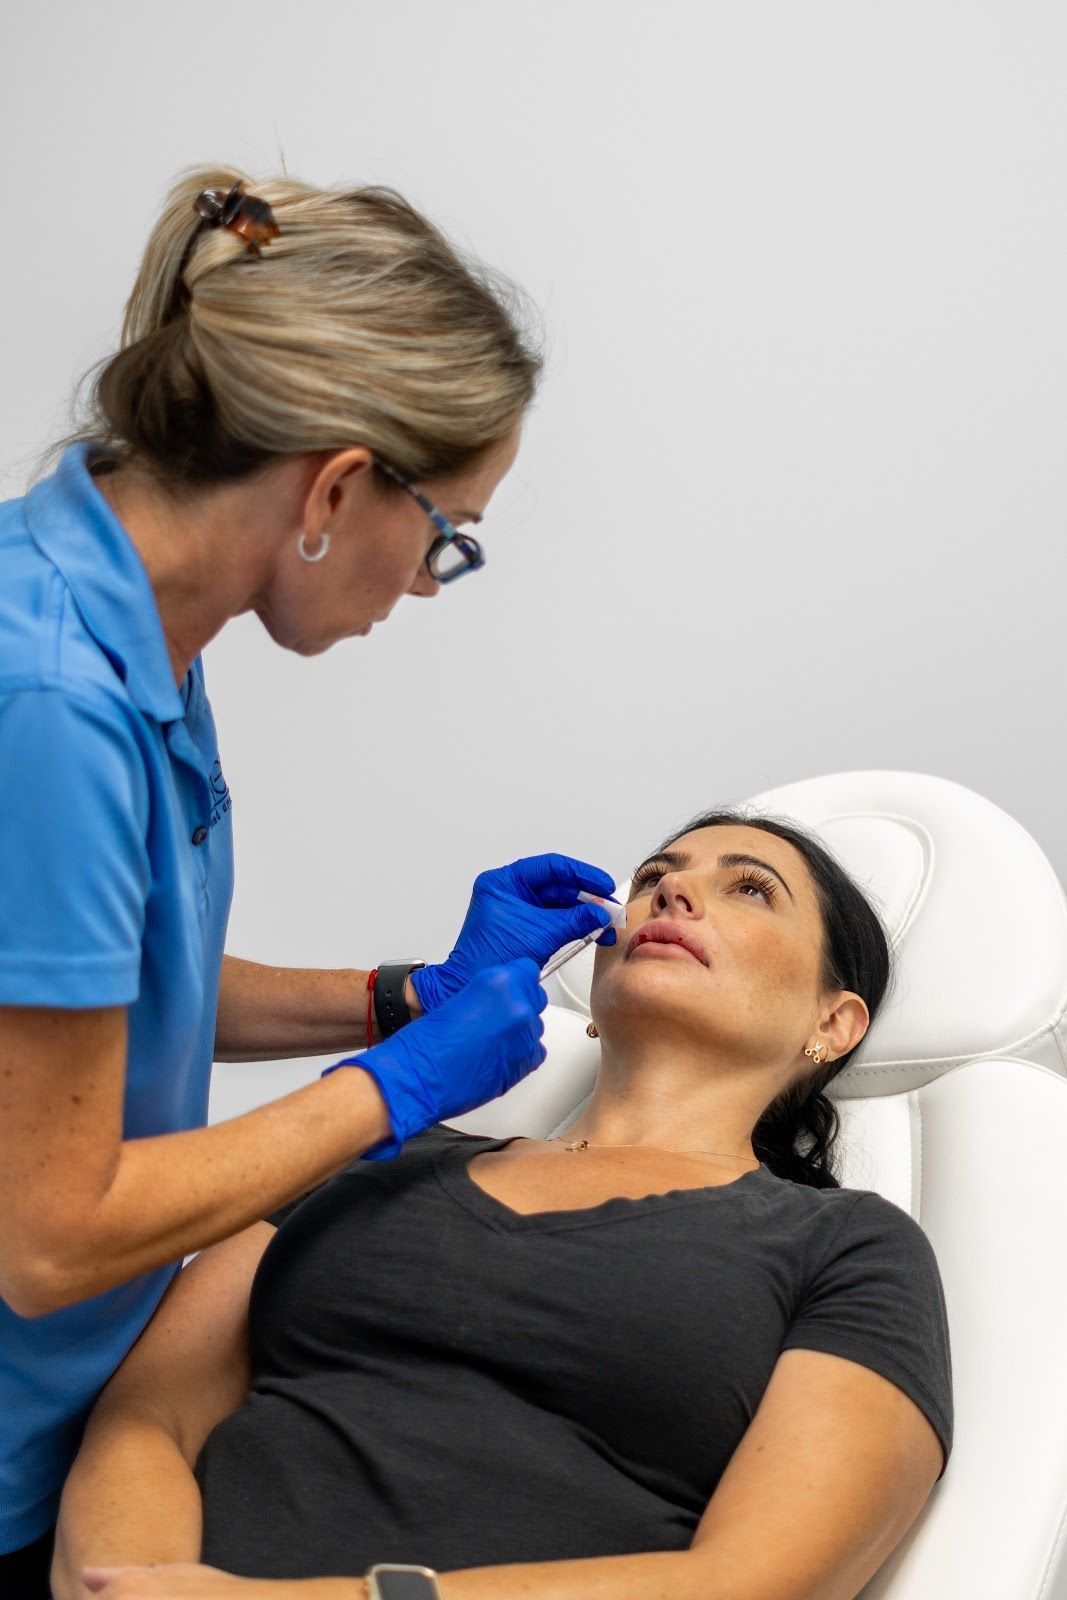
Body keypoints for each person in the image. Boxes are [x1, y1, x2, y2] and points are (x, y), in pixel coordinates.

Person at [0, 165, 621, 1594]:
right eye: (446, 537)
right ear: (340, 486)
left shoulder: (144, 624)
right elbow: (50, 1235)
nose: (423, 585)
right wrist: (397, 1087)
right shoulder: (49, 697)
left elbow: (97, 996)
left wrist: (398, 993)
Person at [52, 813, 954, 1600]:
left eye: (750, 890)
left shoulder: (847, 1248)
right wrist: (128, 1584)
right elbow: (146, 1418)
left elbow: (756, 1582)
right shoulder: (369, 1158)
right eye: (653, 879)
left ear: (832, 1026)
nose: (673, 895)